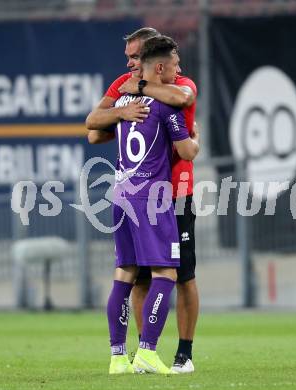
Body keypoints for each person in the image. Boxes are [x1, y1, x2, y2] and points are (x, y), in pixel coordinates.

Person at [86, 27, 199, 373]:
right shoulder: (160, 105)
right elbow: (185, 150)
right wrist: (195, 138)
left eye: (135, 58)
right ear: (162, 64)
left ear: (148, 59)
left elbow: (182, 96)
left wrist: (132, 95)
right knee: (164, 272)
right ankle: (147, 350)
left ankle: (121, 355)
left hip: (124, 193)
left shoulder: (132, 95)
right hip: (155, 195)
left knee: (128, 273)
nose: (131, 64)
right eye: (129, 59)